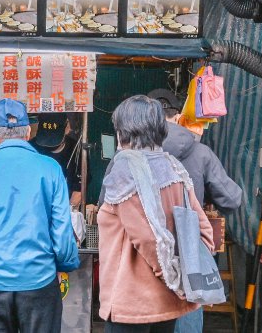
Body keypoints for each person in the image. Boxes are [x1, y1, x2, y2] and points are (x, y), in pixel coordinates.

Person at [0, 99, 80, 333]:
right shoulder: (50, 168)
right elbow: (62, 231)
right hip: (40, 282)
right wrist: (65, 263)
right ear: (28, 131)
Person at [98, 95, 214, 333]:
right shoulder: (174, 167)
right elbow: (203, 228)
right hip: (168, 303)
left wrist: (170, 277)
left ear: (124, 130)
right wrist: (185, 276)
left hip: (132, 304)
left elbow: (148, 239)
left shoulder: (124, 169)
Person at [150, 91, 243, 333]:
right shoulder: (201, 154)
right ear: (179, 117)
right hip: (189, 252)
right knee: (188, 312)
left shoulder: (131, 156)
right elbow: (232, 199)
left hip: (148, 254)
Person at [31, 113, 83, 207]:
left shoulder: (77, 150)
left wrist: (64, 214)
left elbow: (78, 191)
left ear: (67, 128)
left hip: (65, 207)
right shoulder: (30, 148)